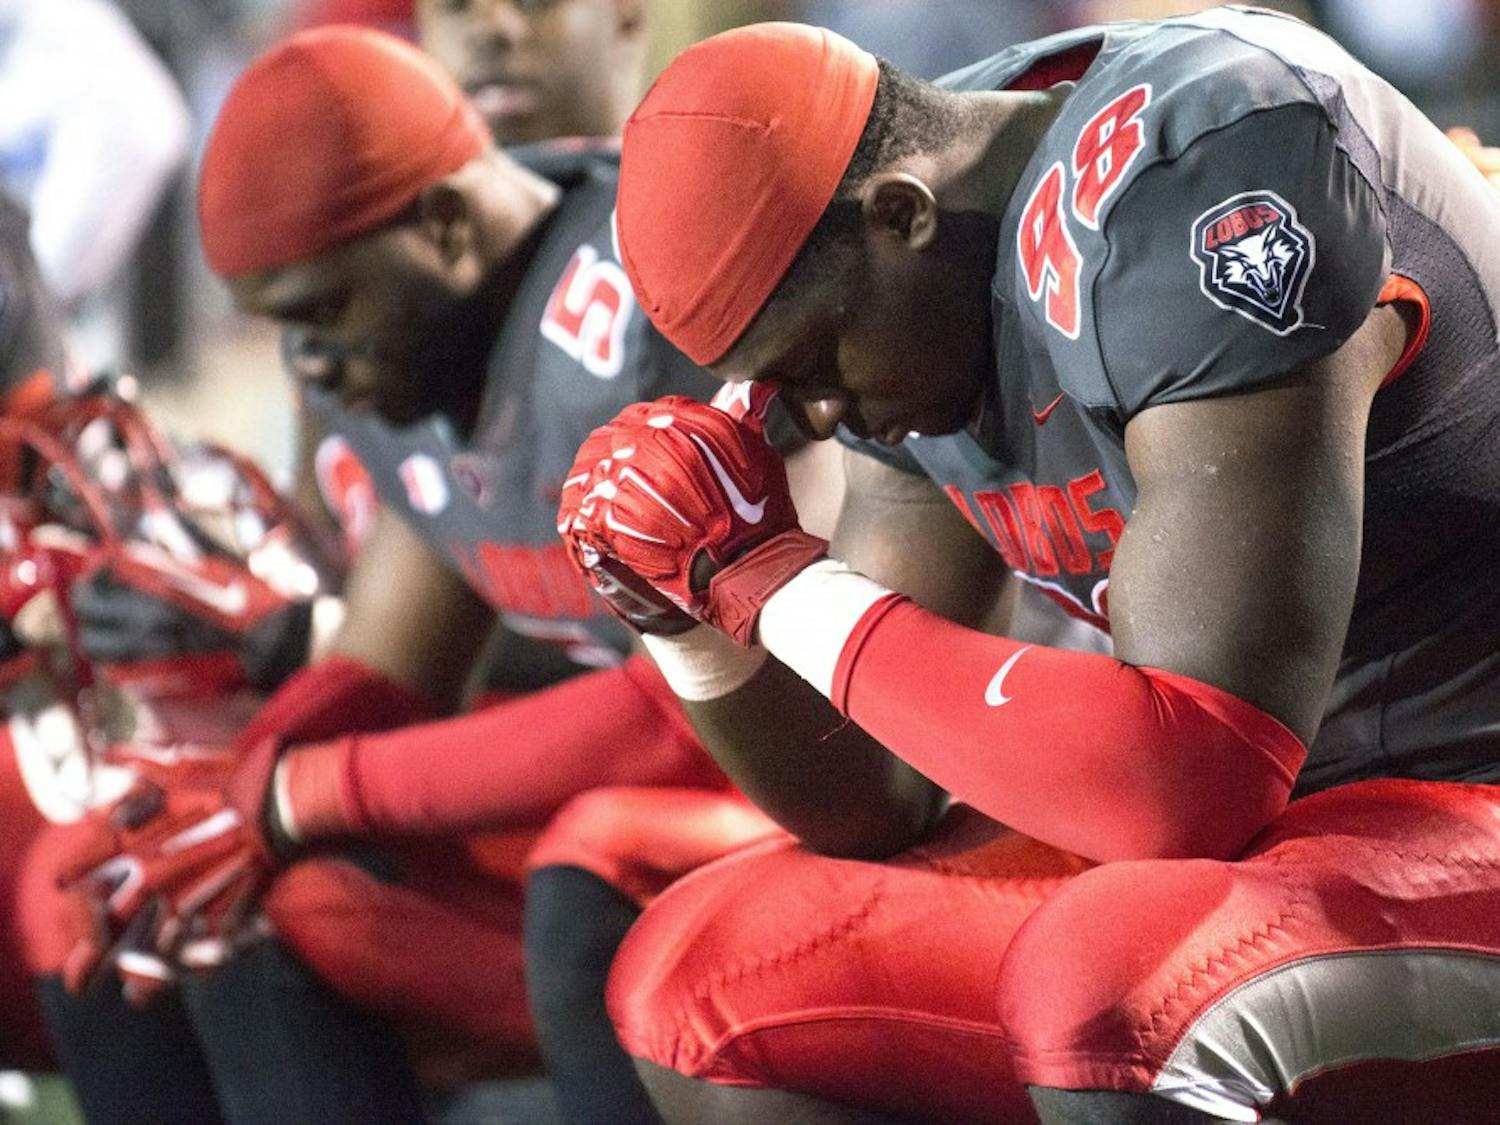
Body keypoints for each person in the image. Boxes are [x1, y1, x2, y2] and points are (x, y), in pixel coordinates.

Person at [558, 10, 1500, 1123]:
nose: (819, 415)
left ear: (901, 216)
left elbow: (1191, 778)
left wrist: (782, 583)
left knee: (1121, 991)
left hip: (1458, 778)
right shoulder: (917, 235)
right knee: (703, 975)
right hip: (1293, 836)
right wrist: (692, 617)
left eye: (813, 365)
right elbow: (879, 796)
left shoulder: (1199, 156)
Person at [36, 24, 822, 1124]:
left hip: (825, 787)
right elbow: (384, 665)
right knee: (187, 894)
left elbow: (722, 689)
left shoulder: (645, 290)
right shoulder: (430, 338)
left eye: (321, 318)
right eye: (283, 334)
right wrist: (216, 801)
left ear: (447, 225)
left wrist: (297, 791)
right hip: (648, 802)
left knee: (585, 876)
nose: (309, 368)